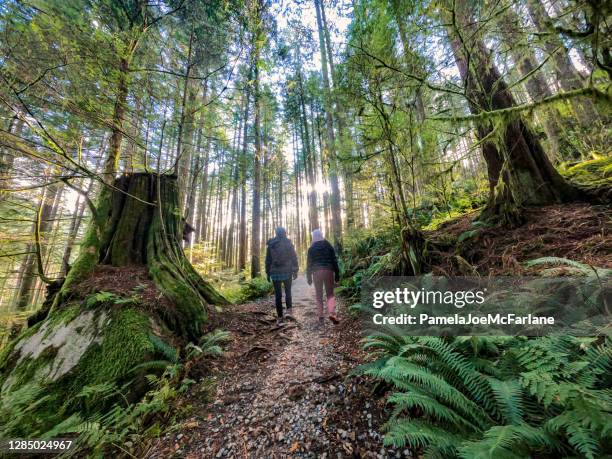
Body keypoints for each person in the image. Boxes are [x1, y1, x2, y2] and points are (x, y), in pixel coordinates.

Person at [265, 227, 299, 323]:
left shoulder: (271, 244)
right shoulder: (288, 243)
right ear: (284, 232)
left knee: (278, 295)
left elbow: (268, 260)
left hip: (275, 272)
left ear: (276, 233)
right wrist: (295, 270)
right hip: (287, 271)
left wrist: (268, 273)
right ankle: (289, 312)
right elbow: (294, 257)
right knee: (288, 292)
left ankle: (280, 317)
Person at [306, 229, 340, 325]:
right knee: (330, 294)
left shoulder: (311, 248)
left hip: (317, 272)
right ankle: (332, 314)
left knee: (319, 295)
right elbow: (334, 260)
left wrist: (308, 277)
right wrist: (337, 274)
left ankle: (320, 316)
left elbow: (309, 264)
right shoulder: (328, 246)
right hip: (329, 271)